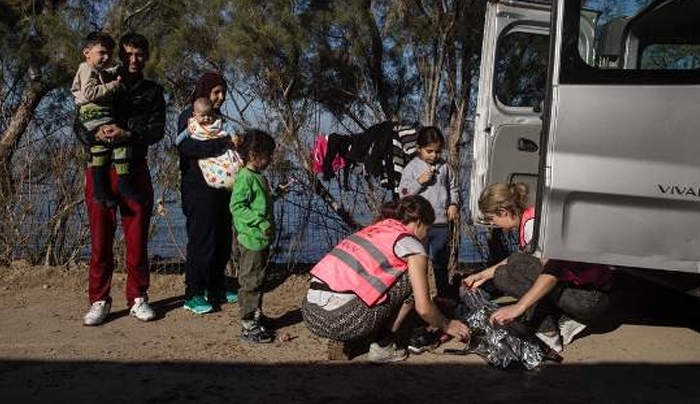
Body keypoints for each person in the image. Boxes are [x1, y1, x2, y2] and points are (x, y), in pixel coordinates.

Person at [302, 195, 471, 363]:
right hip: (342, 319)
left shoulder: (375, 228)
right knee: (410, 278)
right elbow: (424, 308)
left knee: (369, 284)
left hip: (311, 314)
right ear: (419, 222)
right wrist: (447, 325)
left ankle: (348, 339)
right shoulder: (411, 246)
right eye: (427, 230)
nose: (425, 236)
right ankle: (383, 345)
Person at [75, 32, 166, 326]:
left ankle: (138, 297)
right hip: (99, 169)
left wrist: (128, 133)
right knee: (100, 239)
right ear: (119, 56)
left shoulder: (153, 91)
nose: (133, 59)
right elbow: (79, 123)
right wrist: (94, 134)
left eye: (139, 54)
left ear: (147, 56)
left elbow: (157, 131)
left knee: (137, 238)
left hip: (134, 169)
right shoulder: (98, 80)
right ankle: (99, 300)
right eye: (127, 54)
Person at [463, 182, 611, 352]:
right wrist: (481, 276)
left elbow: (552, 271)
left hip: (590, 298)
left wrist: (518, 307)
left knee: (511, 269)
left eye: (492, 218)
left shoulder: (533, 225)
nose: (492, 223)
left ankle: (547, 331)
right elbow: (518, 259)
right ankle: (561, 317)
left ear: (503, 212)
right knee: (504, 272)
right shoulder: (531, 218)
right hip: (586, 293)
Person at [177, 72, 239, 315]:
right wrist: (222, 144)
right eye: (216, 92)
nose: (221, 97)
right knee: (201, 240)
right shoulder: (189, 115)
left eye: (223, 92)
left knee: (222, 239)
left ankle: (216, 287)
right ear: (204, 91)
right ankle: (193, 293)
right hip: (198, 190)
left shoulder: (218, 119)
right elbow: (186, 147)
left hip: (222, 190)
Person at [71, 31, 142, 207]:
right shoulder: (87, 68)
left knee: (101, 148)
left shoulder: (95, 70)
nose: (106, 57)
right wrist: (113, 85)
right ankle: (120, 184)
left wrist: (115, 71)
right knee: (116, 143)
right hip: (94, 114)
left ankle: (101, 190)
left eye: (109, 53)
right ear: (87, 52)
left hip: (97, 115)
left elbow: (102, 75)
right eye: (101, 52)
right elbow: (89, 93)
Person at [230, 129, 286, 343]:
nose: (271, 159)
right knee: (251, 280)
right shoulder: (245, 177)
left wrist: (277, 194)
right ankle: (248, 324)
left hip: (261, 239)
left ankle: (256, 315)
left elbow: (260, 203)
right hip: (251, 239)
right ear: (254, 154)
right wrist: (260, 222)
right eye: (268, 154)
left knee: (258, 279)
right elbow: (236, 206)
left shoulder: (257, 177)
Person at [398, 126, 460, 299]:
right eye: (429, 151)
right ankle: (419, 297)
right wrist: (420, 182)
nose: (434, 155)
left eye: (437, 151)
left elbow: (453, 187)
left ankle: (443, 297)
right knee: (419, 263)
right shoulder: (411, 168)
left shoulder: (445, 167)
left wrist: (454, 203)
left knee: (440, 263)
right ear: (419, 148)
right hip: (420, 225)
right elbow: (403, 194)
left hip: (441, 223)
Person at [180, 97, 243, 190]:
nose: (207, 118)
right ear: (194, 115)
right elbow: (182, 137)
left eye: (209, 115)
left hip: (224, 153)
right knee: (217, 173)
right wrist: (177, 143)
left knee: (235, 165)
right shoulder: (193, 126)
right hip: (207, 158)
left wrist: (233, 135)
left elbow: (227, 127)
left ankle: (238, 180)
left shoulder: (217, 122)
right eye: (203, 115)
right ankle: (227, 182)